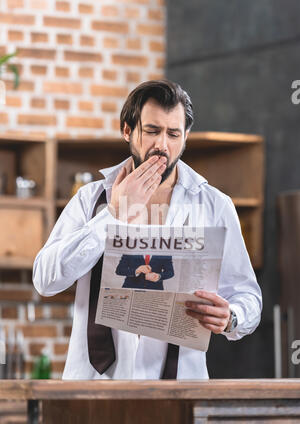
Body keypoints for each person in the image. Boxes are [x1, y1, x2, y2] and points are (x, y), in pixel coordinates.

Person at [32, 79, 262, 380]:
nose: (162, 146)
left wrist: (232, 317)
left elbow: (248, 295)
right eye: (152, 131)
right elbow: (45, 280)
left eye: (173, 134)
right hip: (94, 387)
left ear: (186, 136)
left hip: (182, 389)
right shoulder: (90, 200)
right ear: (127, 130)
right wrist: (113, 217)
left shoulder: (215, 205)